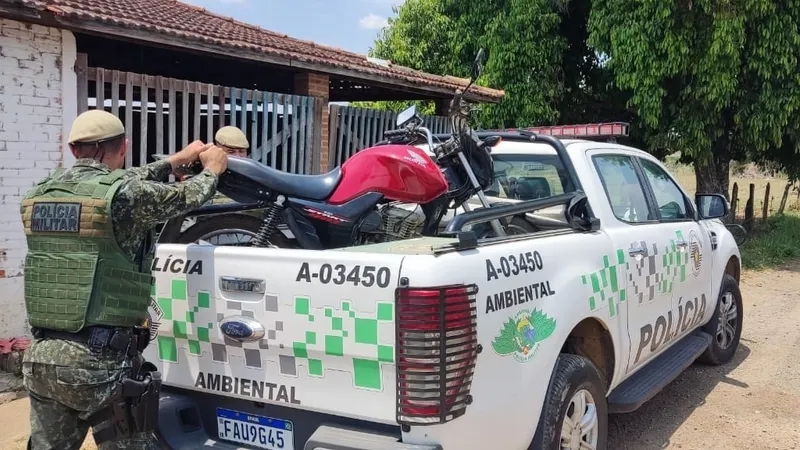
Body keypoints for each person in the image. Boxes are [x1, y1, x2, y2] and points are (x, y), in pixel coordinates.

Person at [20, 109, 228, 449]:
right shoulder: (126, 197)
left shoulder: (38, 193)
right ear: (125, 147)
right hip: (99, 363)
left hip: (42, 357)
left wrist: (174, 161)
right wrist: (212, 168)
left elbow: (122, 184)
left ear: (73, 150)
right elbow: (187, 196)